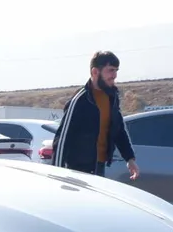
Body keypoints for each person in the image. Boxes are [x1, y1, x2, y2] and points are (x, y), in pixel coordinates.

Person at [51, 51, 140, 180]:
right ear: (95, 72)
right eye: (110, 70)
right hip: (78, 170)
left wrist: (129, 158)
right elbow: (62, 138)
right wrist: (57, 173)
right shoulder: (80, 100)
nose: (114, 75)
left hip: (100, 166)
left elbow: (119, 129)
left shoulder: (112, 97)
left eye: (116, 70)